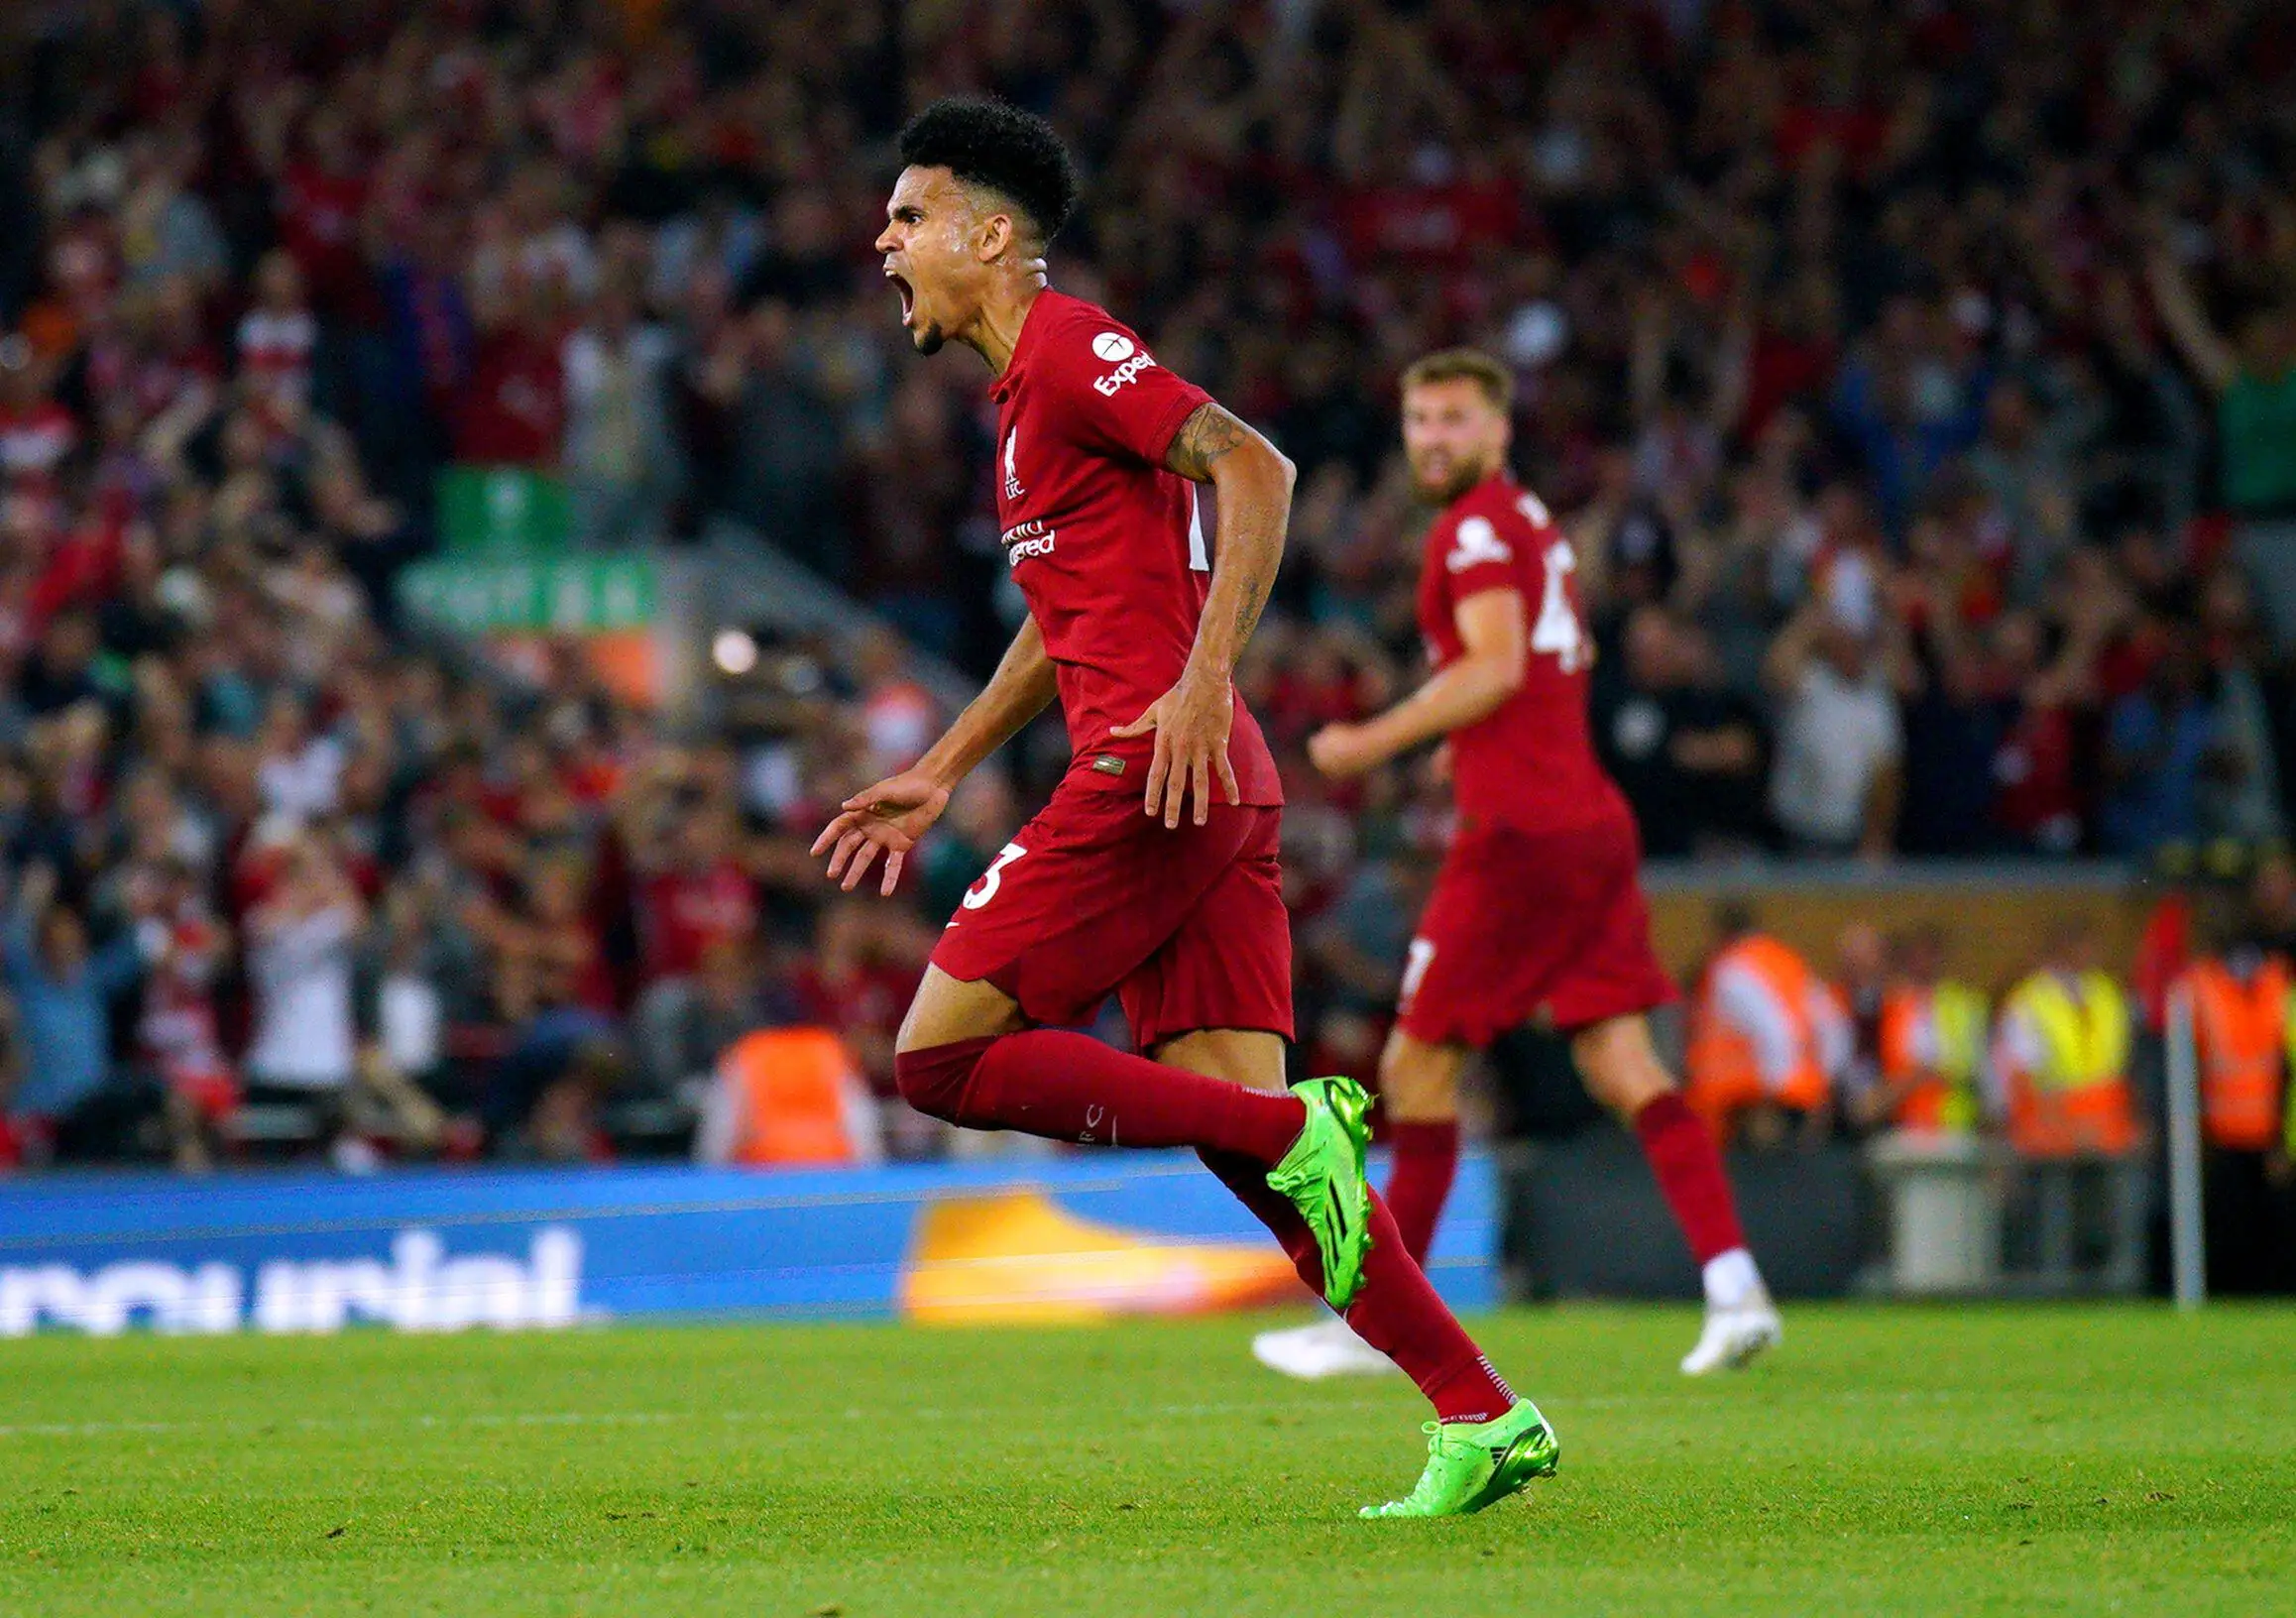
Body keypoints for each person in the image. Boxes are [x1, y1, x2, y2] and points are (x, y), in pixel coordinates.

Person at [810, 101, 1553, 1518]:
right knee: (1250, 1140)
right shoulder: (1020, 417)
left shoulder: (1077, 350)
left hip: (1154, 776)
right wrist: (950, 763)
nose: (884, 244)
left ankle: (1298, 1134)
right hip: (1196, 780)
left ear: (986, 232)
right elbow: (1063, 623)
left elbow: (1252, 464)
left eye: (908, 218)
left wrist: (1210, 676)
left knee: (939, 1061)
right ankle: (1482, 1411)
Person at [1269, 348, 1780, 1382]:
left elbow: (1496, 667)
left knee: (1417, 1066)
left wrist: (1370, 743)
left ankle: (1380, 1327)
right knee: (1622, 1065)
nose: (1434, 439)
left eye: (1456, 419)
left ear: (1500, 432)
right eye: (1419, 420)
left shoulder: (1474, 530)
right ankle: (1736, 1291)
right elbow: (1527, 676)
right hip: (1587, 822)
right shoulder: (1533, 524)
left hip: (1520, 840)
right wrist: (1465, 743)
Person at [1684, 903, 1850, 1149]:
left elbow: (1775, 1029)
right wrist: (1824, 1088)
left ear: (1721, 932)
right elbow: (1834, 1027)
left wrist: (1771, 1099)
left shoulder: (1733, 968)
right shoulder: (1787, 961)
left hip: (1753, 1105)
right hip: (1797, 1096)